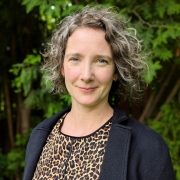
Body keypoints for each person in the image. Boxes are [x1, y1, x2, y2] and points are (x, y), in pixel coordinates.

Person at [23, 6, 174, 180]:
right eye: (75, 59)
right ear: (61, 66)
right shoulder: (40, 136)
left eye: (101, 61)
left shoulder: (148, 148)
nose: (86, 75)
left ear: (117, 71)